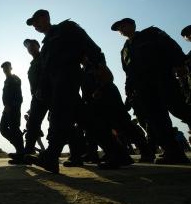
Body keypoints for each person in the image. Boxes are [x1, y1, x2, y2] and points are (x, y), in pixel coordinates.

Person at [24, 9, 128, 173]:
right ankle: (119, 153)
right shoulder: (46, 45)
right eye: (33, 24)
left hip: (68, 78)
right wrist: (41, 91)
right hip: (55, 86)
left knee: (59, 117)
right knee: (87, 120)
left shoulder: (66, 28)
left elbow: (89, 45)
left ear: (46, 18)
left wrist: (100, 64)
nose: (35, 26)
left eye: (37, 21)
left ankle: (51, 157)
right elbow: (45, 73)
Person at [112, 18, 190, 164]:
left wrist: (180, 64)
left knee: (179, 109)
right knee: (156, 119)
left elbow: (170, 45)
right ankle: (173, 153)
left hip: (162, 78)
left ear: (133, 25)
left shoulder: (151, 34)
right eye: (119, 29)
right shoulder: (124, 50)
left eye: (124, 25)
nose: (121, 29)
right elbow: (128, 73)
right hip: (143, 89)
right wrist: (129, 90)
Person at [22, 39, 49, 155]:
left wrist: (41, 88)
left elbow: (47, 72)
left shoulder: (45, 57)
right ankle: (27, 153)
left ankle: (76, 153)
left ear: (38, 46)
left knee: (61, 121)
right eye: (28, 47)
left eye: (32, 45)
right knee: (32, 123)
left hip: (50, 93)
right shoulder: (33, 64)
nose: (30, 48)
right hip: (37, 97)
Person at [0, 61, 24, 164]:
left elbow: (19, 96)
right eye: (4, 68)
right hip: (7, 109)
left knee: (14, 129)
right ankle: (20, 150)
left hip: (13, 109)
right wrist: (6, 106)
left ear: (11, 68)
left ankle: (21, 154)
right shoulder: (6, 81)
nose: (5, 69)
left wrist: (12, 106)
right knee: (3, 129)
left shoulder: (15, 79)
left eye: (7, 67)